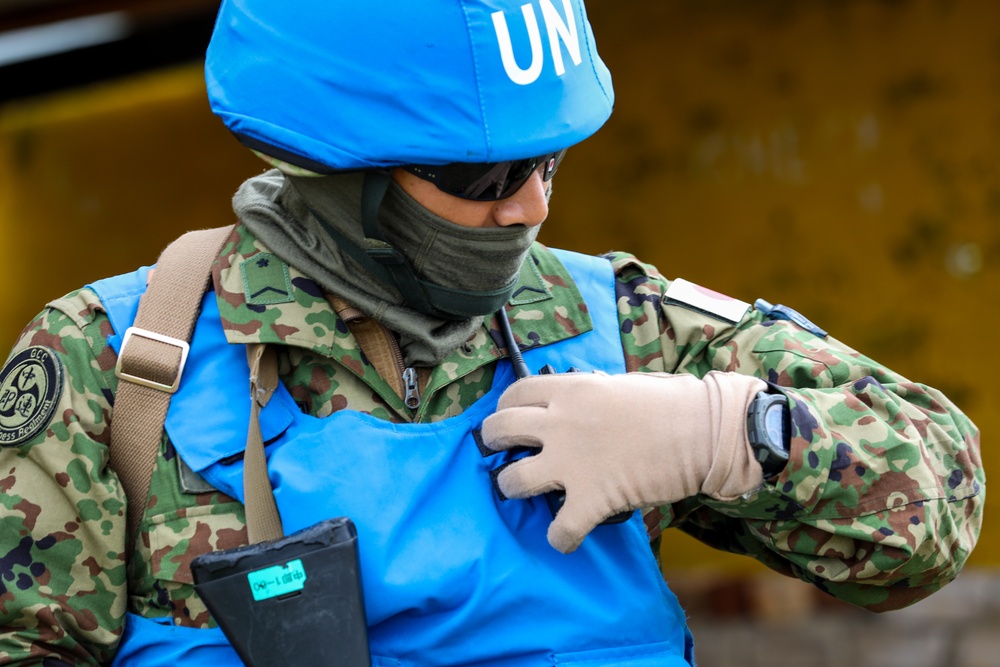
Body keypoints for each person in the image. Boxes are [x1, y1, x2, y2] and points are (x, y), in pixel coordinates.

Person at [0, 1, 983, 665]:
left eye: (546, 164)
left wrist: (731, 434)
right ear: (335, 174)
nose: (527, 210)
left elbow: (935, 506)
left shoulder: (613, 325)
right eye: (478, 179)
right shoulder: (115, 368)